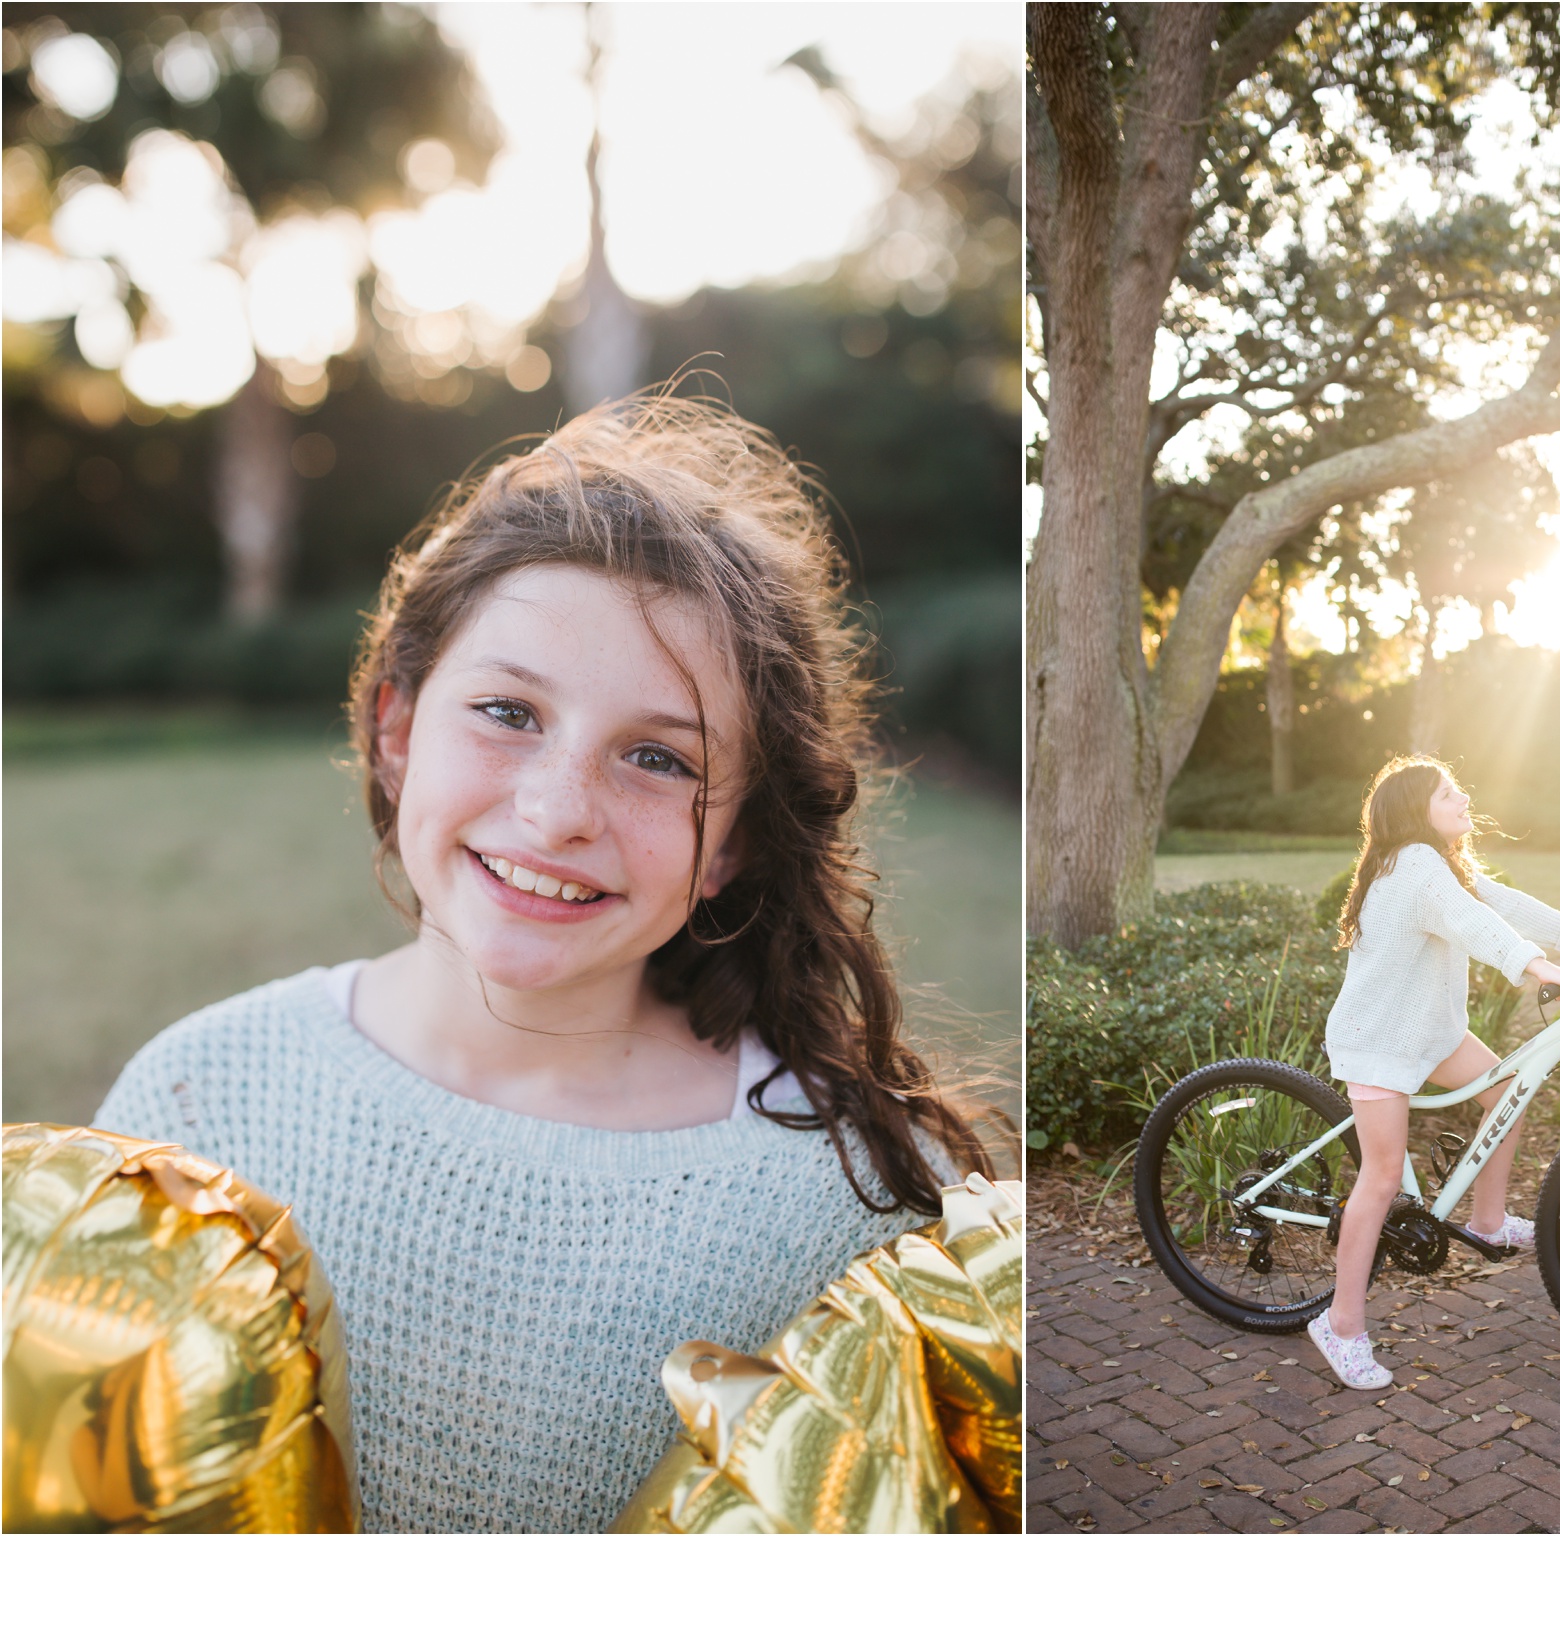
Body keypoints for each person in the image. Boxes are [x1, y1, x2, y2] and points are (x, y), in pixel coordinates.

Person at [94, 394, 990, 1531]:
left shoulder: (854, 1201)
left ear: (736, 843)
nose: (559, 810)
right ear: (397, 729)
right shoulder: (193, 1103)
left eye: (658, 757)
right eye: (509, 710)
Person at [1307, 755, 1560, 1390]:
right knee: (1381, 1178)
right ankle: (1342, 1325)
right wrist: (1540, 969)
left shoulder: (1440, 864)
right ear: (1417, 812)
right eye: (1447, 793)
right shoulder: (1413, 866)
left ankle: (1487, 1222)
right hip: (1381, 1037)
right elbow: (1477, 929)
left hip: (1429, 1031)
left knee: (1508, 1090)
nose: (1463, 796)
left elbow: (1503, 904)